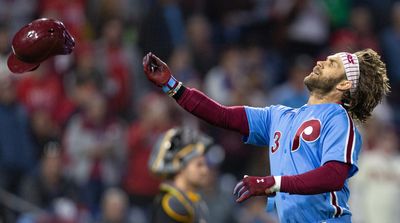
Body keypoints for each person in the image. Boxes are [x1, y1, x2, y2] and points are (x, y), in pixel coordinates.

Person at [142, 48, 390, 222]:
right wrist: (172, 85)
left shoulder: (338, 118)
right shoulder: (279, 116)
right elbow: (222, 115)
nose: (321, 62)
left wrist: (273, 182)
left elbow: (334, 175)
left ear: (344, 85)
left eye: (332, 64)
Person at [148, 127, 211, 223]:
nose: (205, 171)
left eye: (205, 165)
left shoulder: (191, 201)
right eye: (199, 165)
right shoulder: (172, 203)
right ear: (180, 167)